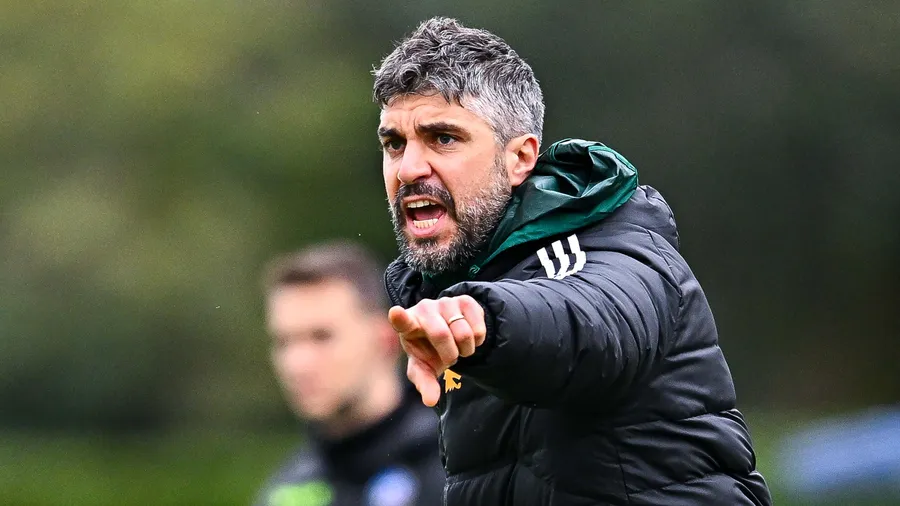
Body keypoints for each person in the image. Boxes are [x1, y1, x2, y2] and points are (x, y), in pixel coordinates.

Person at [372, 16, 773, 505]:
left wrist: (482, 319)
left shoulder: (616, 243)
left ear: (520, 158)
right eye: (394, 144)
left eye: (443, 138)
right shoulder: (446, 286)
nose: (409, 168)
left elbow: (594, 324)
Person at [253, 241, 445, 506]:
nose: (297, 364)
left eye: (322, 337)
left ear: (386, 340)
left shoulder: (455, 465)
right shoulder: (286, 490)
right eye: (284, 342)